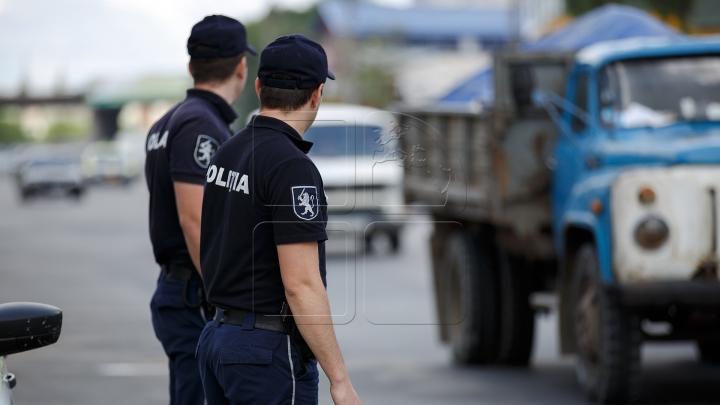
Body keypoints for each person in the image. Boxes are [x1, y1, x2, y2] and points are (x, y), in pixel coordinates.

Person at [197, 34, 362, 405]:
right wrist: (339, 380)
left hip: (219, 339)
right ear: (317, 94)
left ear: (258, 87)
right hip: (264, 354)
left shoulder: (227, 152)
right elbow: (301, 285)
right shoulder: (291, 167)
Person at [144, 15, 256, 405]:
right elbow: (194, 220)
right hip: (196, 293)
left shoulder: (169, 120)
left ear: (192, 66)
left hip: (183, 289)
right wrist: (221, 295)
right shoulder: (200, 126)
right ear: (242, 66)